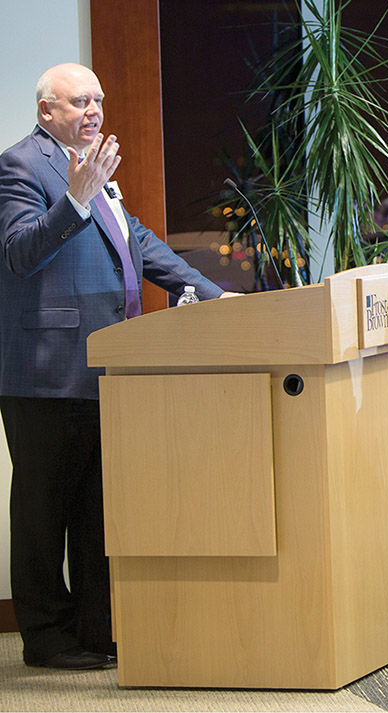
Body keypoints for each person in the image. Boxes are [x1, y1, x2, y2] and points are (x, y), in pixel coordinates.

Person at [0, 63, 231, 670]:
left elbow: (136, 242)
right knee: (43, 512)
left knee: (100, 512)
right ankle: (47, 639)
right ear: (47, 110)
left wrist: (214, 296)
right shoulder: (21, 165)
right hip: (48, 371)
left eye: (98, 99)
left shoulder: (93, 165)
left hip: (112, 366)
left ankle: (100, 631)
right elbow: (18, 254)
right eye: (80, 102)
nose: (94, 110)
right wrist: (75, 199)